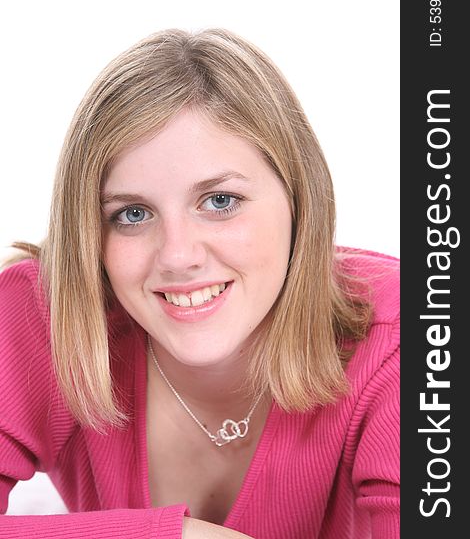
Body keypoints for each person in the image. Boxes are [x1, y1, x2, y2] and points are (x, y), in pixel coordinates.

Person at [0, 28, 399, 538]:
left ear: (300, 199)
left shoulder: (410, 339)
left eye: (220, 201)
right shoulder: (47, 316)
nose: (178, 256)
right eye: (132, 213)